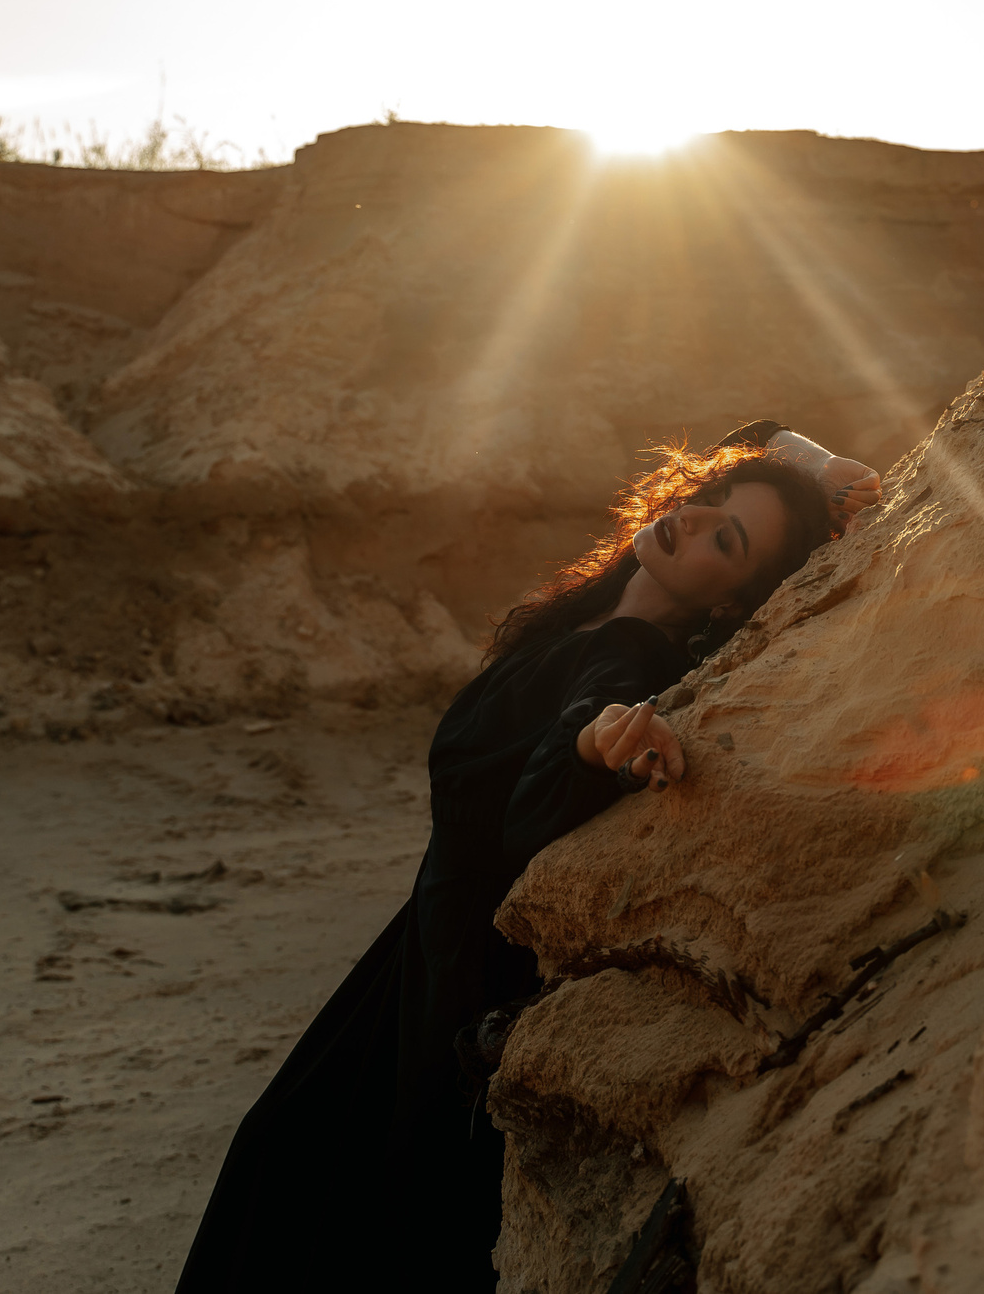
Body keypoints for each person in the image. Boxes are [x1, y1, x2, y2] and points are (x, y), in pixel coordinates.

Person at [176, 421, 881, 1291]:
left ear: (732, 602)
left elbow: (577, 734)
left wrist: (593, 745)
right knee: (286, 1158)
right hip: (415, 946)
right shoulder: (596, 613)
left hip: (462, 965)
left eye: (726, 539)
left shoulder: (631, 654)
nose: (692, 522)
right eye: (704, 502)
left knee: (348, 1205)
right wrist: (821, 468)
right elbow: (759, 431)